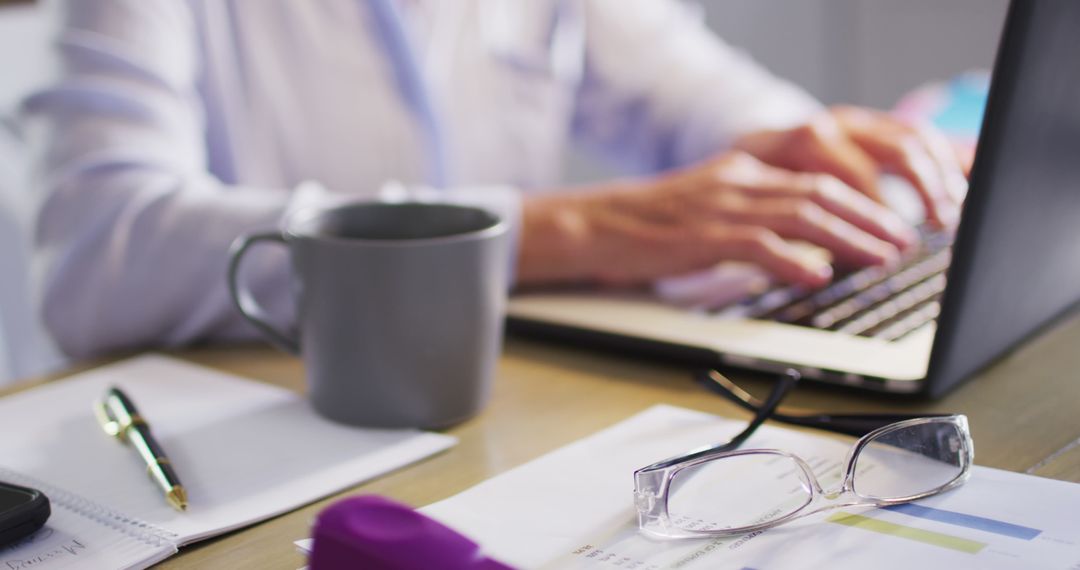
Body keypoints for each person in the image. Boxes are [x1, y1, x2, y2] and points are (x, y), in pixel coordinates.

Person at [22, 0, 967, 359]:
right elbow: (97, 255)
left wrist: (817, 159)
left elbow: (696, 94)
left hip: (497, 409)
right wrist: (578, 230)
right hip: (263, 428)